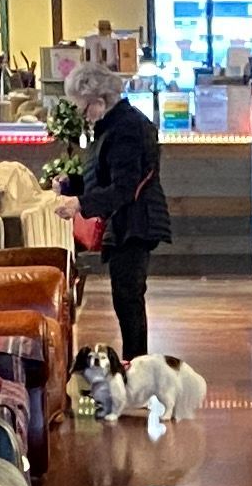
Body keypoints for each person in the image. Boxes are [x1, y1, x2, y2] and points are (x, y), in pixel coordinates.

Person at [65, 62, 172, 363]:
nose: (82, 116)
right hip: (129, 221)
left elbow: (124, 187)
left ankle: (137, 366)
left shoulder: (124, 128)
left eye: (83, 109)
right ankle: (135, 364)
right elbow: (105, 177)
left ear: (99, 101)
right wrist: (72, 185)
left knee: (128, 297)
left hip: (135, 222)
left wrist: (79, 204)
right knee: (126, 296)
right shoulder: (116, 124)